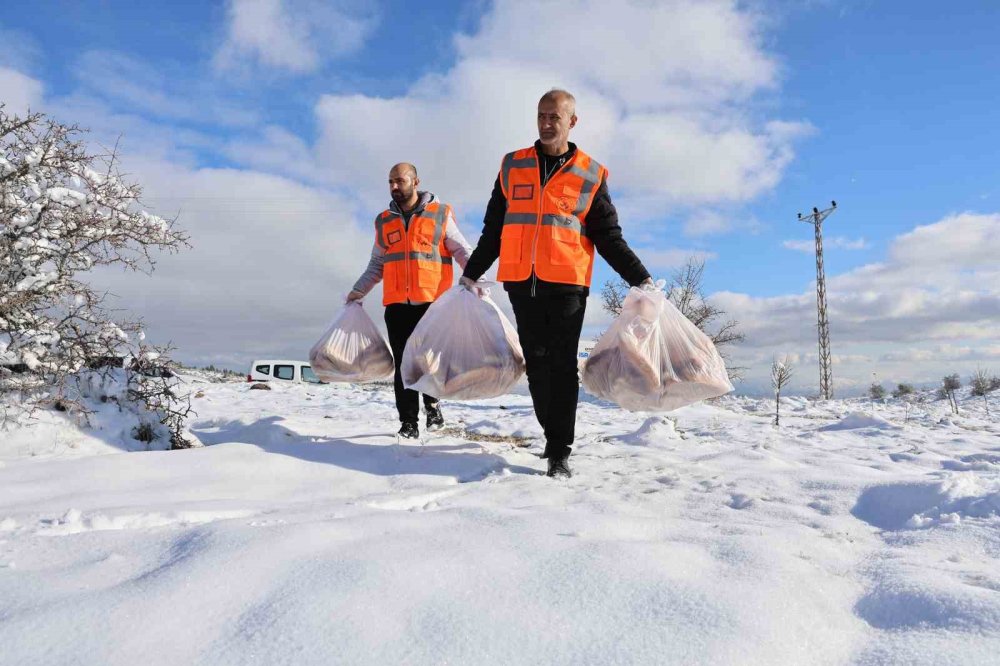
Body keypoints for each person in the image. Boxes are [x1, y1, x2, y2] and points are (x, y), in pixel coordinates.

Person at [460, 89, 652, 478]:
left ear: (572, 122)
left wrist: (640, 278)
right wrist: (470, 272)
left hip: (567, 283)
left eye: (555, 118)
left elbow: (608, 236)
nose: (547, 124)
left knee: (562, 365)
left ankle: (559, 449)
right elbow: (494, 229)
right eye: (542, 116)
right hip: (519, 279)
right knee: (536, 363)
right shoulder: (512, 166)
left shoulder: (590, 174)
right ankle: (553, 433)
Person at [348, 163, 473, 440]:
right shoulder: (384, 221)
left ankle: (432, 404)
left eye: (400, 181)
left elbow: (462, 250)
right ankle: (408, 422)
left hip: (432, 304)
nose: (394, 186)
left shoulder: (440, 214)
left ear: (416, 181)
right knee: (404, 364)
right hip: (396, 306)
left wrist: (477, 278)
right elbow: (377, 264)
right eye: (390, 182)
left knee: (429, 361)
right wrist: (358, 291)